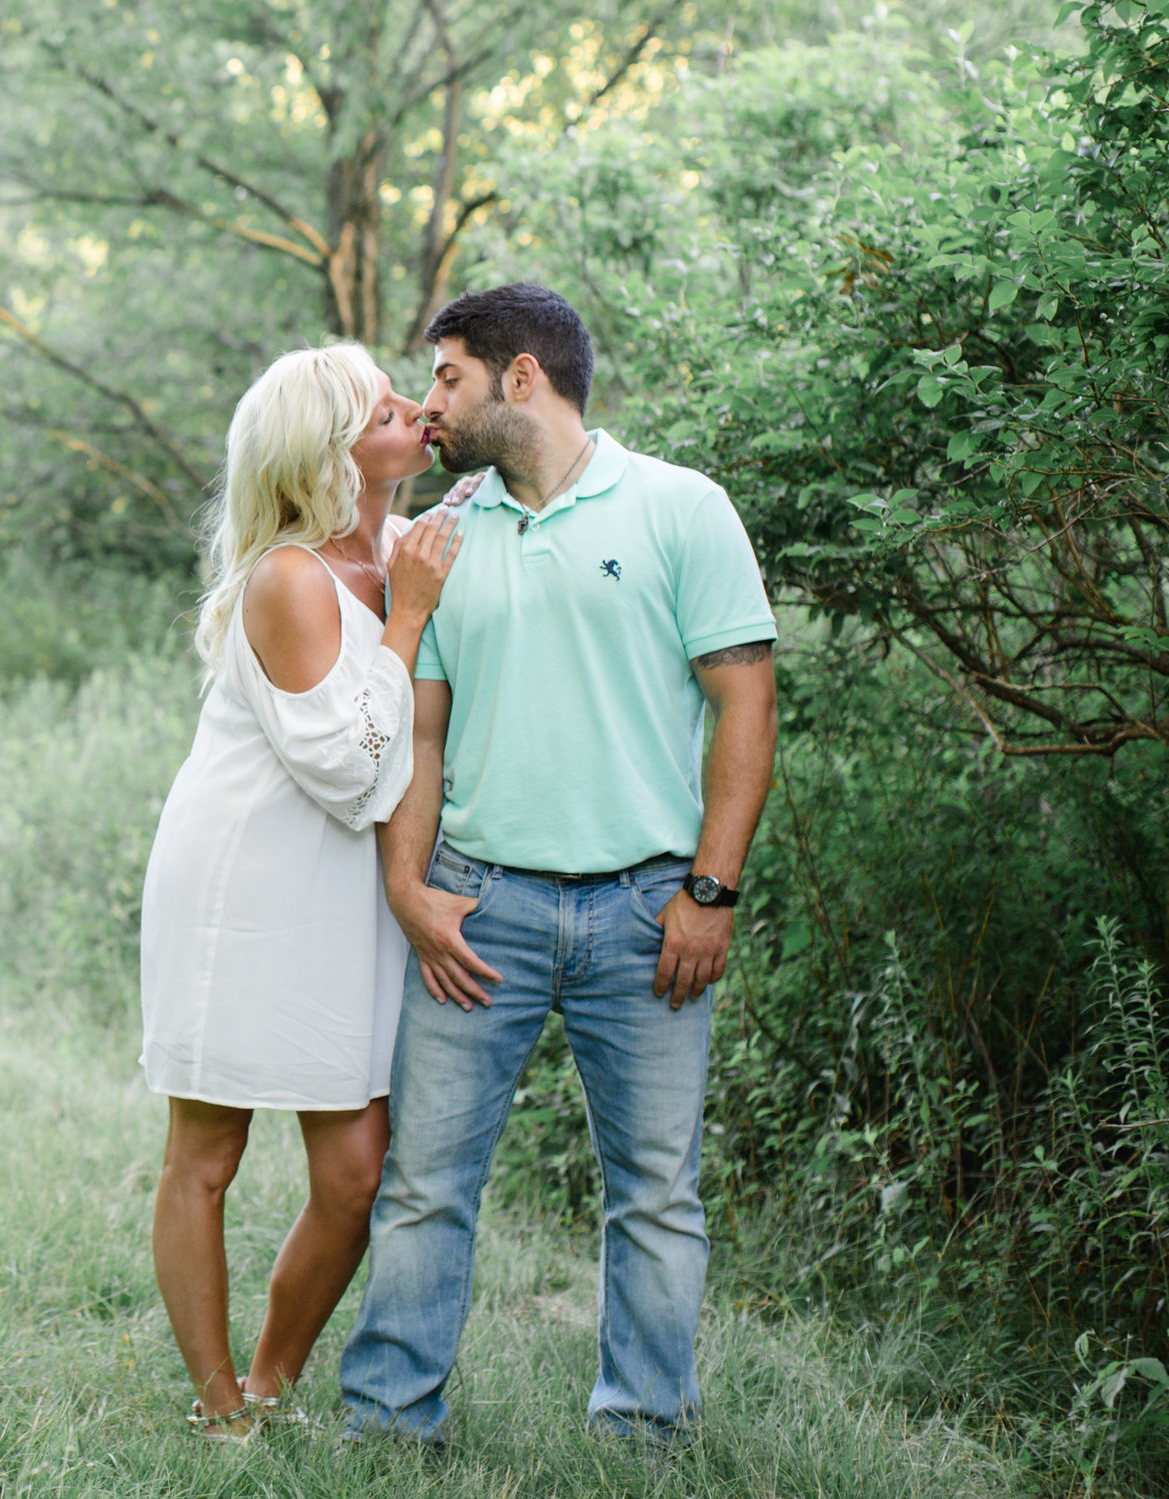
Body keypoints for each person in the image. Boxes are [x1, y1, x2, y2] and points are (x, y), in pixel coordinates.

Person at [340, 284, 778, 1447]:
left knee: (655, 1193)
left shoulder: (682, 508)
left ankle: (642, 1429)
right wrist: (407, 887)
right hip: (478, 910)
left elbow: (745, 705)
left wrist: (710, 891)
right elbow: (418, 735)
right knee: (426, 1181)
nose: (429, 400)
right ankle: (388, 1425)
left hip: (650, 911)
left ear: (518, 377)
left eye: (446, 376)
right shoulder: (436, 541)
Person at [138, 341, 470, 1441]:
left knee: (356, 1171)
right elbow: (344, 768)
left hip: (344, 891)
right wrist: (410, 615)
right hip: (246, 875)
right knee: (209, 1151)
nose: (415, 409)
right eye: (387, 407)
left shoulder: (398, 547)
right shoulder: (289, 575)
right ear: (333, 450)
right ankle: (219, 1403)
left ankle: (274, 1376)